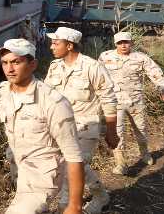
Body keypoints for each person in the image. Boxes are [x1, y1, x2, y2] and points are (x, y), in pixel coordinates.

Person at [0, 38, 85, 214]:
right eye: (5, 63)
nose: (9, 69)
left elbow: (73, 156)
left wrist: (75, 206)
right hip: (19, 169)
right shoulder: (3, 92)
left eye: (16, 62)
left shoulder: (53, 102)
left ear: (33, 64)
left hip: (43, 176)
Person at [45, 27, 118, 214]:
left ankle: (66, 207)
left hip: (86, 126)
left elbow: (108, 98)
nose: (51, 46)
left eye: (56, 42)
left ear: (69, 46)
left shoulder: (92, 67)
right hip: (59, 127)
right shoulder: (55, 66)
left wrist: (111, 131)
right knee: (70, 166)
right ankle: (101, 195)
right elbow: (47, 97)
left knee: (72, 168)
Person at [98, 31, 164, 175]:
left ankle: (145, 154)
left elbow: (155, 74)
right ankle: (121, 163)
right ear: (115, 44)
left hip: (135, 101)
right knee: (117, 132)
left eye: (126, 42)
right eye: (120, 43)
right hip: (114, 102)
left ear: (131, 43)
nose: (123, 45)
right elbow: (97, 76)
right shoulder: (105, 57)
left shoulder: (141, 58)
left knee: (141, 130)